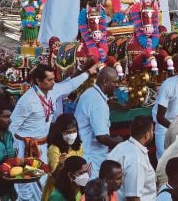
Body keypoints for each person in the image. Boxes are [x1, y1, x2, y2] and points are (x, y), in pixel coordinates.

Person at [11, 63, 96, 201]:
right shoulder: (27, 101)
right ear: (38, 81)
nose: (53, 82)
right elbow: (12, 126)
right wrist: (13, 149)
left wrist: (88, 73)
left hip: (43, 145)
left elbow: (70, 85)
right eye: (49, 80)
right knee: (26, 186)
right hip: (26, 147)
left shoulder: (53, 90)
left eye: (53, 79)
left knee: (44, 181)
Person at [77, 67, 120, 171]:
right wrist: (119, 141)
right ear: (105, 82)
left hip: (84, 153)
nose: (117, 85)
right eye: (115, 82)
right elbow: (102, 137)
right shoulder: (97, 102)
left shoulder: (91, 93)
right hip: (92, 159)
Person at [108, 116, 155, 201]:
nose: (153, 133)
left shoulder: (121, 146)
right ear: (147, 135)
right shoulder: (137, 160)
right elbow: (133, 197)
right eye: (152, 130)